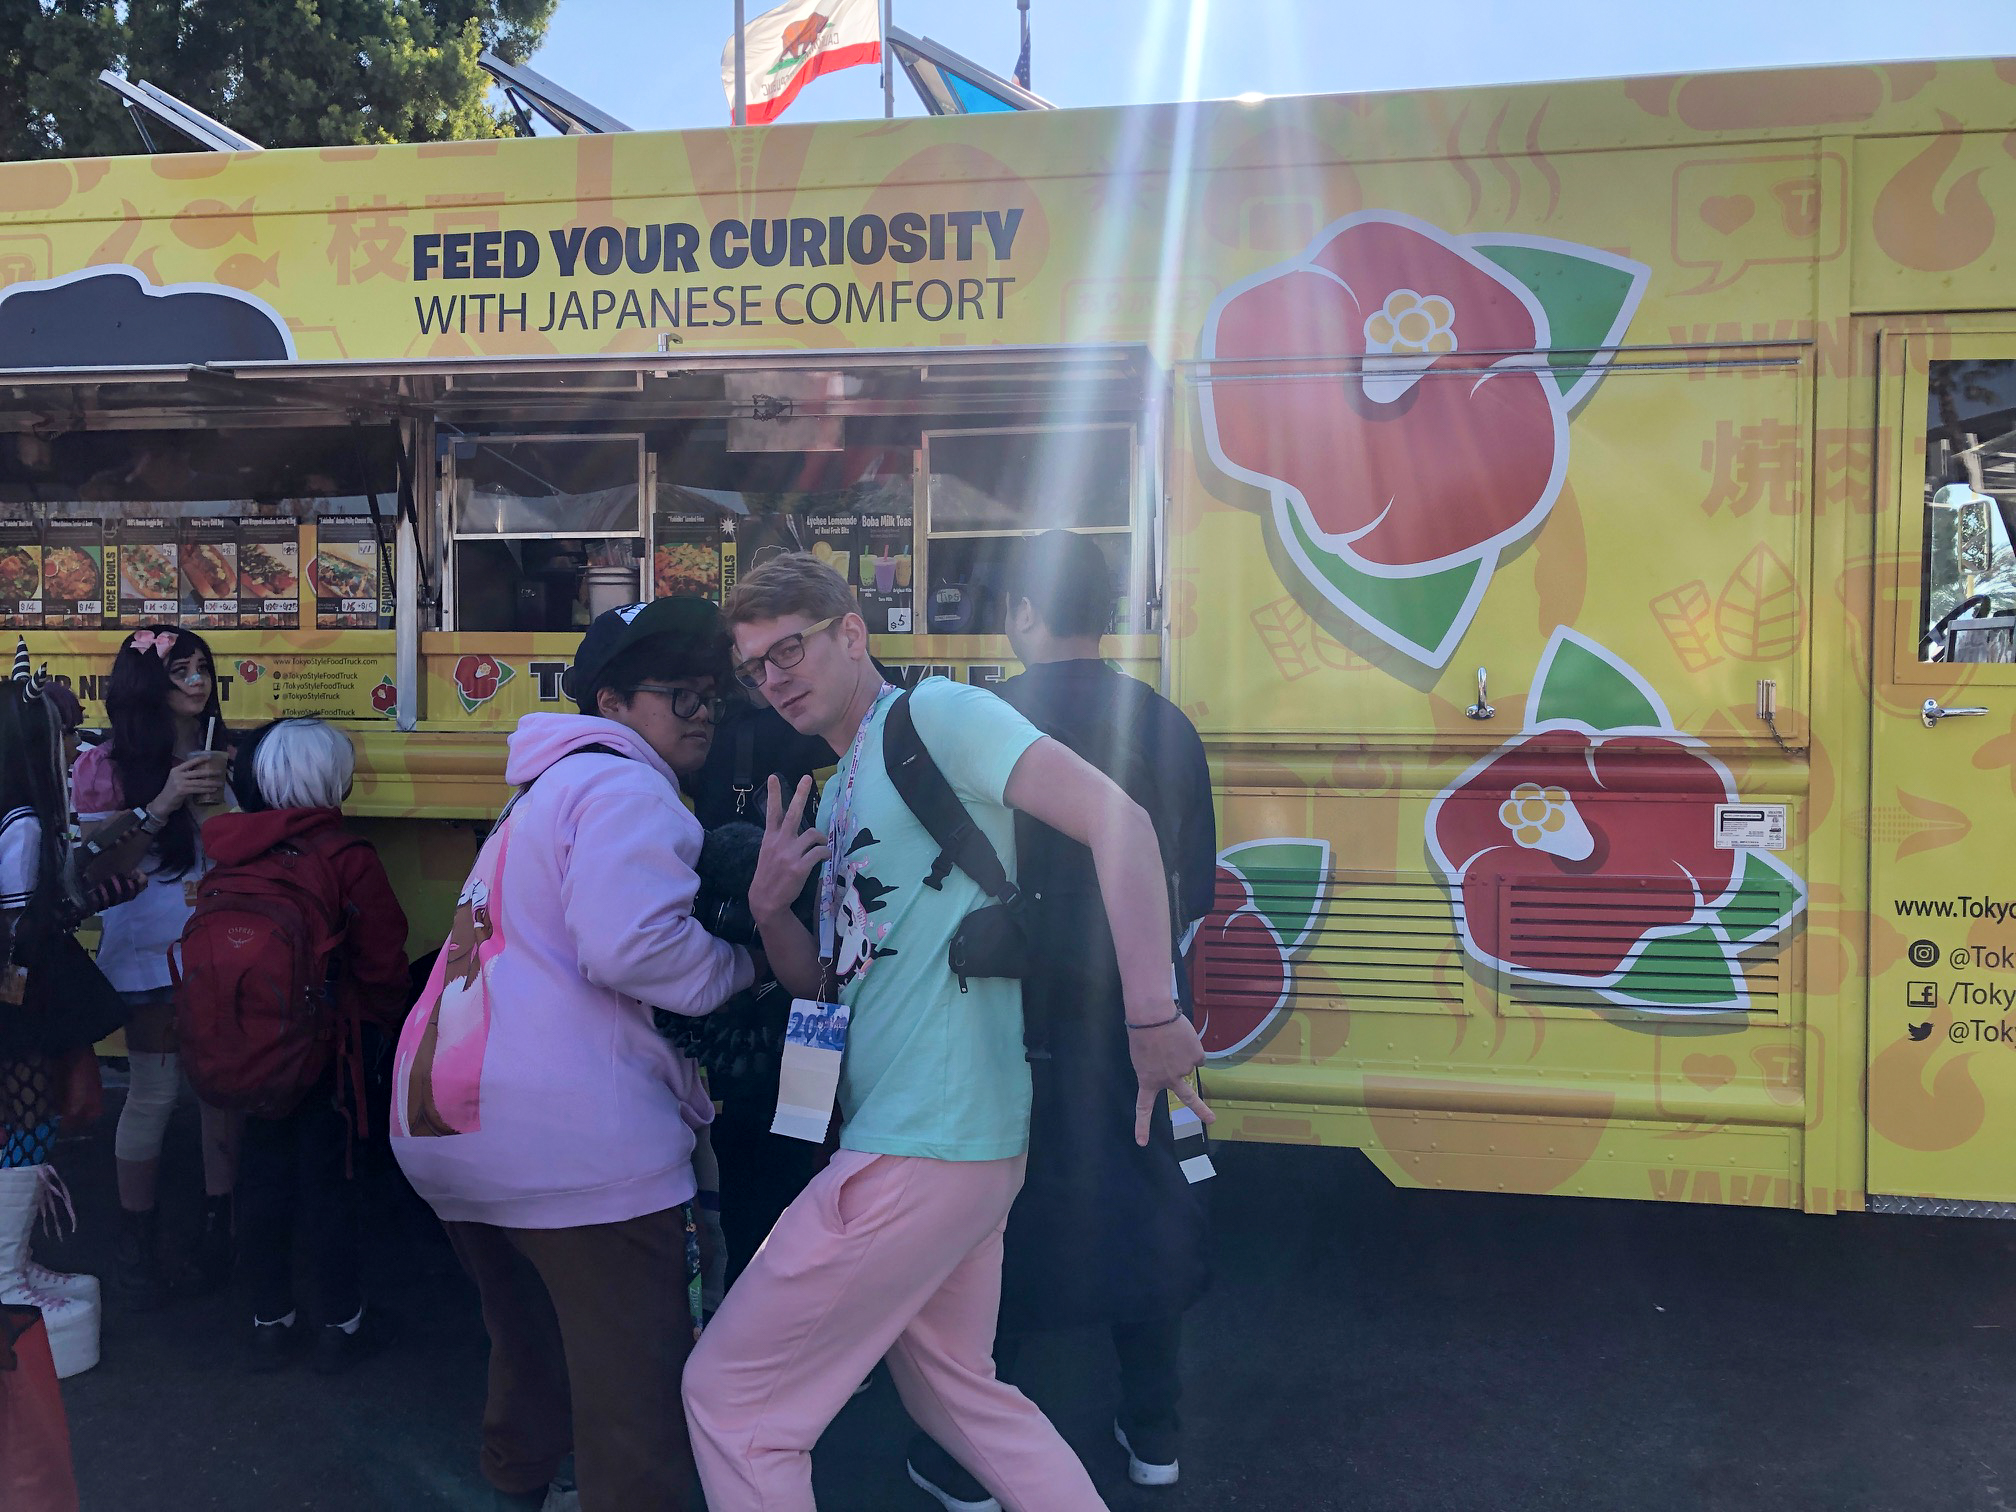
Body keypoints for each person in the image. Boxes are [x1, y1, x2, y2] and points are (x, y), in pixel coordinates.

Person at [683, 554, 1212, 1512]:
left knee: (732, 1398)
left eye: (789, 649)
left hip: (921, 1140)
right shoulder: (840, 785)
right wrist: (769, 911)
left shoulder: (938, 717)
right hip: (938, 1138)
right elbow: (824, 990)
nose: (774, 679)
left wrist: (1153, 1014)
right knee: (959, 1399)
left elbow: (1121, 823)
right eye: (755, 668)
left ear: (853, 632)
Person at [391, 597, 753, 1512]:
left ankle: (518, 1489)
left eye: (711, 696)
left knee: (531, 1353)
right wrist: (745, 968)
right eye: (679, 694)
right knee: (635, 1395)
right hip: (580, 1147)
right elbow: (629, 947)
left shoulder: (540, 793)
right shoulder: (627, 788)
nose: (702, 714)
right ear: (613, 703)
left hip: (450, 1124)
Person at [906, 532, 1217, 1509]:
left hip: (1006, 1015)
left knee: (991, 1222)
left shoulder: (985, 718)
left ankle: (970, 1460)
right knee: (1145, 1200)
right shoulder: (1168, 723)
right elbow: (1194, 891)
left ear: (1026, 612)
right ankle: (1154, 1431)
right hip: (1138, 1017)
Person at [202, 718, 410, 1374]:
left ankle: (269, 1319)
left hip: (248, 1044)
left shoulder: (231, 851)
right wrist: (386, 1030)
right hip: (329, 1051)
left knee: (261, 1174)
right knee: (330, 1180)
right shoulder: (348, 857)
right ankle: (341, 1324)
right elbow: (383, 962)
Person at [72, 626, 241, 1308]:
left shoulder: (230, 753)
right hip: (147, 947)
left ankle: (220, 1227)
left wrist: (225, 803)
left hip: (223, 942)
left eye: (203, 669)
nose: (197, 682)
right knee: (153, 1091)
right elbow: (95, 868)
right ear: (148, 685)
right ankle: (136, 1237)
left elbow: (245, 853)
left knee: (223, 1090)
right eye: (181, 671)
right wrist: (162, 802)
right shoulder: (106, 764)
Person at [0, 641, 117, 1380]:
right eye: (65, 735)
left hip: (20, 991)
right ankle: (6, 1273)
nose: (73, 748)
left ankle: (14, 1260)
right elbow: (18, 924)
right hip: (20, 997)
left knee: (24, 1120)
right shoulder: (24, 820)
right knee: (29, 1118)